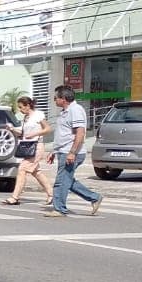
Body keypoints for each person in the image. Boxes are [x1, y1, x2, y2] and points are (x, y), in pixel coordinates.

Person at [45, 85, 102, 218]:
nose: (54, 100)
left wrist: (72, 152)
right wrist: (54, 151)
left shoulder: (75, 110)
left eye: (55, 98)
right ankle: (94, 198)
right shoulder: (65, 111)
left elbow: (80, 133)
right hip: (63, 150)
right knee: (68, 181)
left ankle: (59, 209)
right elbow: (63, 134)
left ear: (63, 99)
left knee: (61, 181)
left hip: (71, 152)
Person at [3, 95, 54, 206]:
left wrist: (34, 134)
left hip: (37, 146)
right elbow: (23, 134)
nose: (20, 110)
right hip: (28, 146)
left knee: (22, 169)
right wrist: (12, 129)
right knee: (37, 172)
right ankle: (51, 194)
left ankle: (15, 197)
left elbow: (48, 129)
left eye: (21, 107)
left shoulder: (38, 115)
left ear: (28, 105)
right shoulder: (25, 118)